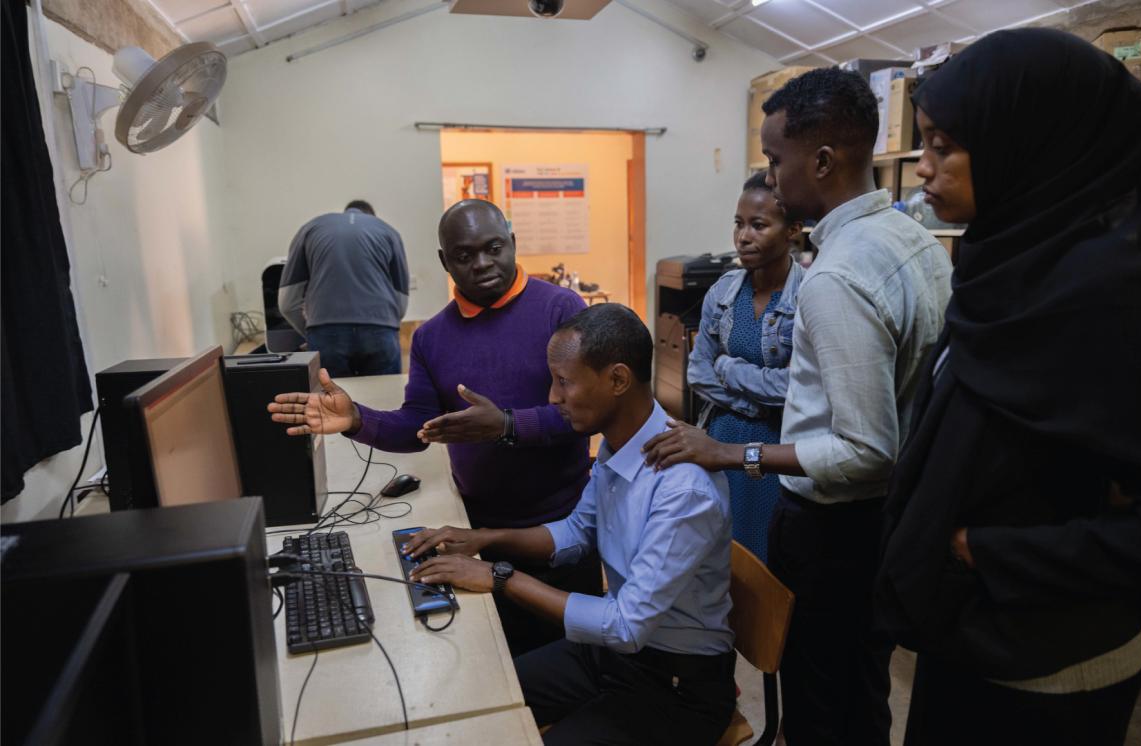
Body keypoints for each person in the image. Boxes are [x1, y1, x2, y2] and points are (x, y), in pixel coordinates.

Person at [644, 67, 953, 746]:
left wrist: (732, 451)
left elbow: (866, 449)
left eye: (776, 161)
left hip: (837, 530)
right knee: (858, 694)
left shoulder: (835, 277)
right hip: (890, 522)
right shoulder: (916, 244)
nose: (772, 177)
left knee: (821, 706)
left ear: (821, 160)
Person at [875, 28, 1141, 746]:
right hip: (970, 637)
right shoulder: (1003, 266)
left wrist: (986, 550)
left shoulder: (1112, 302)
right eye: (925, 144)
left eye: (946, 146)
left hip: (1048, 671)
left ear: (1029, 143)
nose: (928, 169)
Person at [268, 199, 601, 656]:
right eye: (465, 256)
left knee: (570, 659)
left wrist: (504, 425)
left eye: (494, 248)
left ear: (512, 243)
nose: (482, 263)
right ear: (446, 262)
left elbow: (585, 416)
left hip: (563, 525)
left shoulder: (559, 309)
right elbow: (417, 426)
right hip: (476, 529)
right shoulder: (431, 337)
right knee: (501, 657)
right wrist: (357, 419)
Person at [402, 303, 736, 746]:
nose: (553, 398)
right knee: (474, 699)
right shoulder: (621, 446)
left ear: (617, 380)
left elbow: (626, 625)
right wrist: (482, 540)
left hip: (676, 685)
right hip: (617, 656)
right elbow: (577, 533)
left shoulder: (682, 488)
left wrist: (499, 577)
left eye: (564, 382)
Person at [688, 169, 803, 565]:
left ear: (793, 230)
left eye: (759, 225)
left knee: (769, 559)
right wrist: (757, 405)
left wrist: (730, 368)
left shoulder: (809, 296)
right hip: (719, 443)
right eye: (739, 224)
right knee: (720, 558)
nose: (743, 236)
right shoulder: (722, 292)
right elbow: (697, 372)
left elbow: (799, 388)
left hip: (779, 450)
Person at [278, 199, 410, 376]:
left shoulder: (311, 228)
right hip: (380, 330)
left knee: (331, 400)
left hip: (326, 330)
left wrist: (312, 330)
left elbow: (287, 302)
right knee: (385, 398)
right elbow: (400, 301)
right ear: (371, 216)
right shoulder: (388, 231)